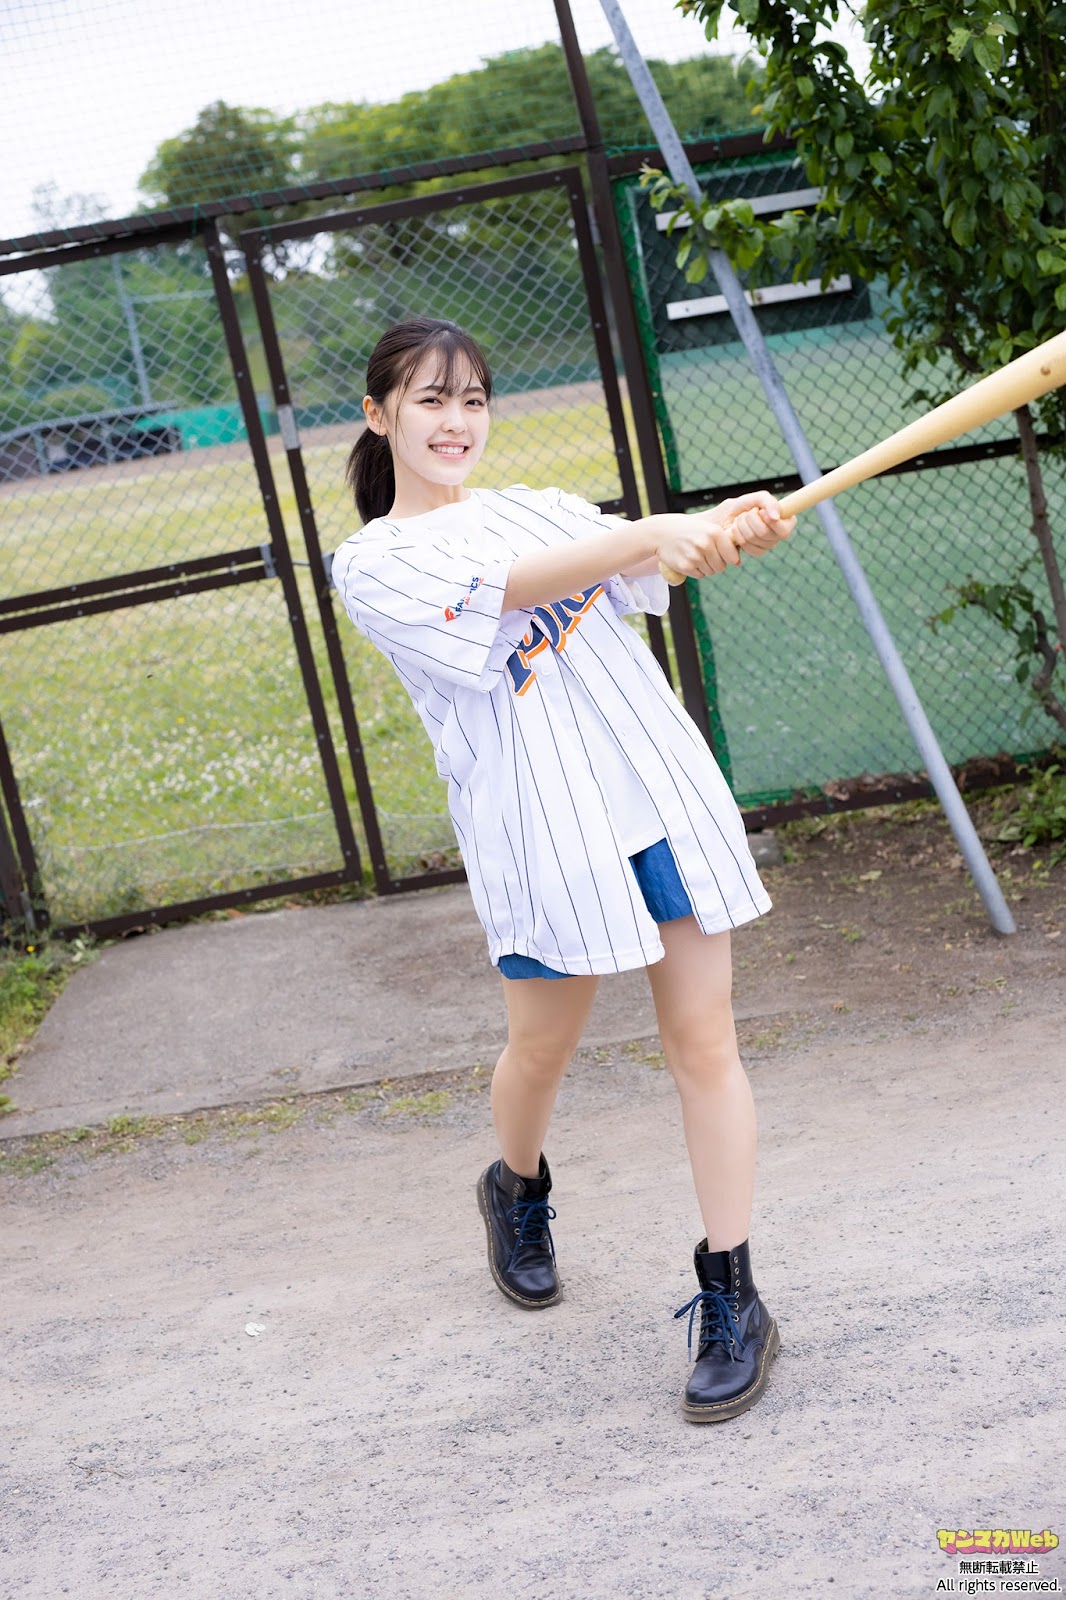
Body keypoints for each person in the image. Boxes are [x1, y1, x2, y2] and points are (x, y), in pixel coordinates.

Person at [331, 317, 796, 1423]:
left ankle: (733, 1293)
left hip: (658, 803)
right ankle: (516, 1186)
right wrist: (649, 533)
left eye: (473, 400)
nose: (456, 422)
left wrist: (720, 532)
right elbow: (511, 588)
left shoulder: (541, 505)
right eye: (431, 399)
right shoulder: (372, 562)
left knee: (705, 1042)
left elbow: (644, 559)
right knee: (542, 1048)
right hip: (545, 834)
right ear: (379, 414)